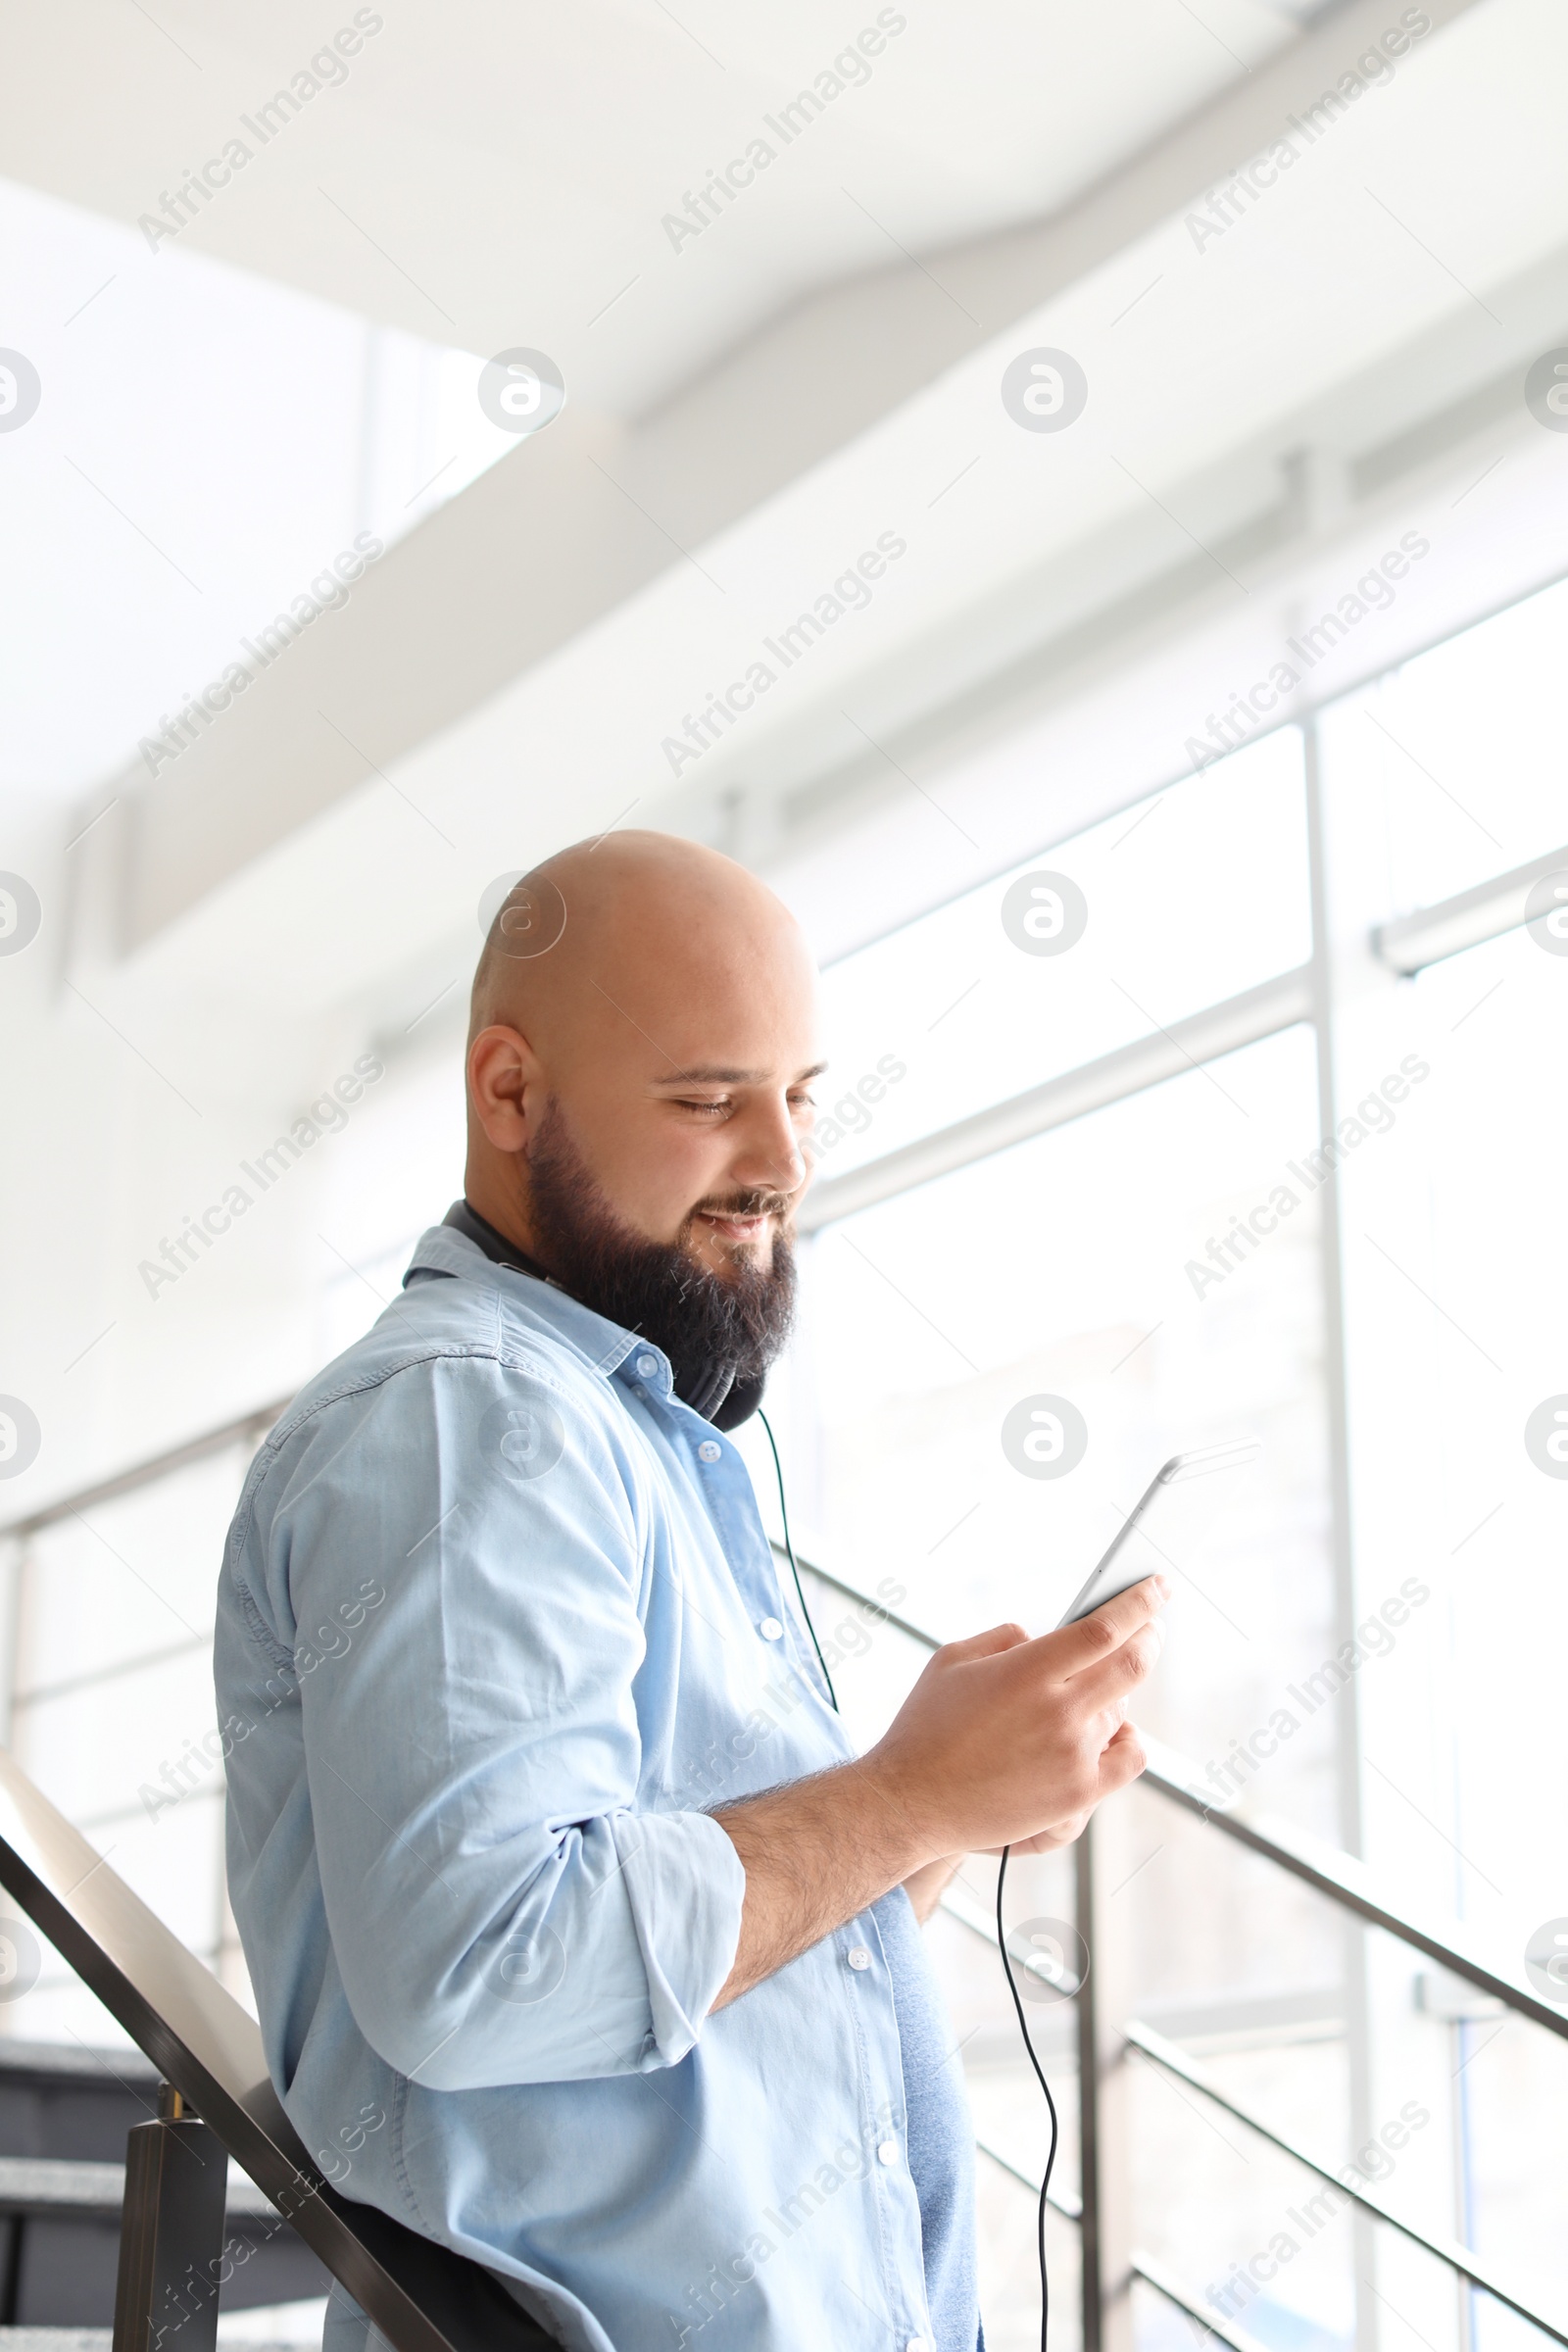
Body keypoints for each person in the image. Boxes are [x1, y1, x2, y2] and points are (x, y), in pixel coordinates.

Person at [216, 831, 1164, 2352]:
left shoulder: (605, 1432)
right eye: (709, 1100)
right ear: (510, 1093)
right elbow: (485, 1963)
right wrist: (907, 1801)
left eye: (801, 1096)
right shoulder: (475, 1421)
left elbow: (673, 1989)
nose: (782, 1163)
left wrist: (944, 1806)